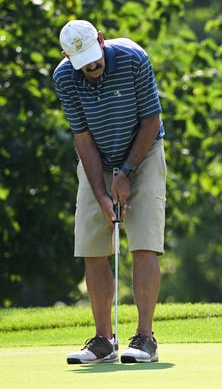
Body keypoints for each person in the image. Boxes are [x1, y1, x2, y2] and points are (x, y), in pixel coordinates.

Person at [53, 20, 166, 364]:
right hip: (97, 160)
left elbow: (151, 120)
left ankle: (145, 338)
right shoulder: (64, 78)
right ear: (67, 57)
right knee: (92, 247)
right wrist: (102, 194)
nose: (91, 68)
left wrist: (127, 172)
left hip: (143, 153)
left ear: (101, 41)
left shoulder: (133, 58)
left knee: (144, 244)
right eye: (83, 64)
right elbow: (83, 140)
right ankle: (103, 340)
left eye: (95, 59)